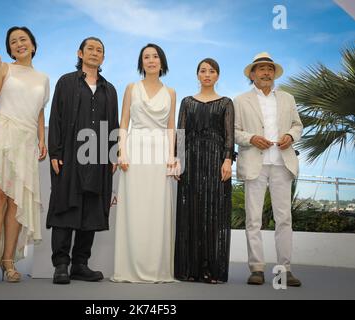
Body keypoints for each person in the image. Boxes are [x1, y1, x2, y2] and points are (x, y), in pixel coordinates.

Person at [0, 26, 50, 284]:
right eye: (13, 41)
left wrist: (42, 138)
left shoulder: (43, 78)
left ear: (33, 45)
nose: (19, 44)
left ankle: (9, 261)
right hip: (2, 134)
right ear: (10, 49)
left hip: (27, 140)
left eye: (23, 39)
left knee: (16, 202)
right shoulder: (4, 68)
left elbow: (39, 111)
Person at [47, 37, 119, 285]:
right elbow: (55, 116)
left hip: (98, 156)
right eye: (90, 49)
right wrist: (55, 152)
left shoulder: (110, 89)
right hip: (69, 154)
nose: (95, 53)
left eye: (100, 50)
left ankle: (80, 264)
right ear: (80, 53)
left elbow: (114, 125)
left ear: (103, 57)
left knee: (91, 209)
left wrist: (113, 153)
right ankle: (61, 265)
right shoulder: (66, 82)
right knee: (65, 206)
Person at [234, 52, 303, 286]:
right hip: (255, 164)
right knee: (253, 219)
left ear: (274, 74)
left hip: (282, 164)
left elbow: (297, 125)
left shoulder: (288, 98)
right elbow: (233, 131)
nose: (266, 72)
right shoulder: (240, 100)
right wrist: (251, 138)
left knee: (284, 219)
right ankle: (256, 269)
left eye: (269, 69)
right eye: (261, 69)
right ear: (252, 74)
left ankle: (285, 269)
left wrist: (289, 136)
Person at [111, 43, 177, 283]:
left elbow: (171, 127)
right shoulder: (131, 88)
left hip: (160, 153)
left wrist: (172, 156)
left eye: (155, 56)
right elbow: (124, 122)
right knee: (134, 208)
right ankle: (129, 267)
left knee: (157, 209)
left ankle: (157, 268)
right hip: (135, 151)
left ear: (162, 62)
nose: (151, 60)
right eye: (146, 57)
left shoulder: (170, 92)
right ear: (141, 62)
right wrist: (122, 152)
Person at [174, 58, 234, 284]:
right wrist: (178, 160)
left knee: (213, 214)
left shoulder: (226, 103)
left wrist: (227, 160)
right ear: (197, 75)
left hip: (215, 161)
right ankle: (189, 268)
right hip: (191, 161)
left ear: (217, 76)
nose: (207, 74)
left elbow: (230, 136)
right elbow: (180, 133)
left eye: (211, 71)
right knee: (191, 212)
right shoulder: (187, 102)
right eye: (203, 71)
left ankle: (210, 268)